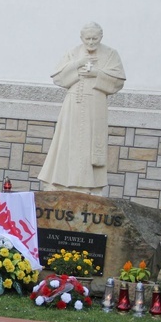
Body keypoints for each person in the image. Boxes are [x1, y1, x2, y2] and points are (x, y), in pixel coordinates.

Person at [38, 22, 126, 195]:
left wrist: (96, 74)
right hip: (73, 106)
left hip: (95, 106)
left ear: (101, 37)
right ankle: (60, 182)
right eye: (88, 39)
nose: (91, 42)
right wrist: (78, 64)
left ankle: (88, 187)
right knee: (66, 143)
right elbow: (58, 77)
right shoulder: (73, 53)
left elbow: (118, 81)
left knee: (88, 147)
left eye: (95, 38)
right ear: (81, 38)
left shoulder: (110, 54)